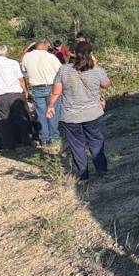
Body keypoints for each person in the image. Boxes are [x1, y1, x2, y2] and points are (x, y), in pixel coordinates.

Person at [47, 41, 110, 180]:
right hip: (93, 113)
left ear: (74, 53)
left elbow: (56, 92)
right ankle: (101, 169)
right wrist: (96, 64)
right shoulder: (97, 70)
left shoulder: (63, 70)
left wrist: (50, 107)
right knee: (95, 140)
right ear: (91, 54)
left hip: (70, 116)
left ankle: (83, 175)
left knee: (76, 145)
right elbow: (106, 85)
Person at [22, 37, 61, 144]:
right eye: (48, 46)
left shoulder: (27, 57)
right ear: (45, 45)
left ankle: (44, 137)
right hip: (51, 86)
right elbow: (60, 71)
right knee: (53, 111)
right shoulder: (51, 57)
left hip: (36, 87)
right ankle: (54, 136)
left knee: (41, 113)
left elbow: (23, 69)